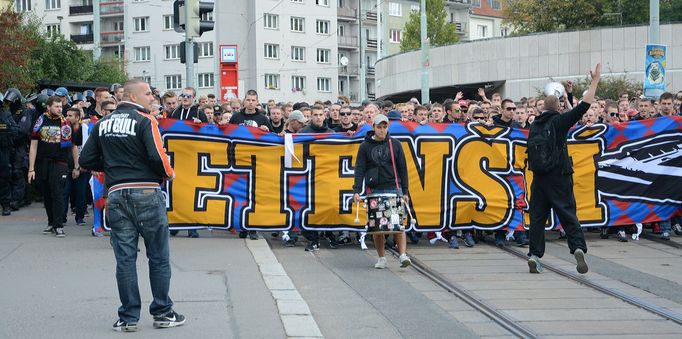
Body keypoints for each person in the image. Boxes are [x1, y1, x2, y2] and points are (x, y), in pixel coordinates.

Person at [79, 79, 185, 332]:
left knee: (125, 259)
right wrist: (169, 174)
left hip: (115, 194)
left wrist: (113, 168)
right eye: (148, 93)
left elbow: (86, 158)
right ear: (133, 97)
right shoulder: (146, 120)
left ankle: (128, 317)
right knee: (158, 256)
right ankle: (163, 312)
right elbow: (157, 156)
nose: (152, 98)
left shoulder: (103, 123)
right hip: (147, 192)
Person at [527, 63, 602, 275]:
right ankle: (577, 247)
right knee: (568, 214)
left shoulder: (535, 124)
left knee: (538, 219)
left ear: (542, 108)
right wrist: (594, 80)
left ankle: (534, 255)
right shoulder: (559, 122)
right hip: (559, 177)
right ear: (558, 107)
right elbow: (584, 106)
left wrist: (565, 99)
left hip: (539, 179)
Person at [353, 114, 412, 269]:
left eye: (384, 127)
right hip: (374, 189)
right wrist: (357, 190)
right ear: (373, 127)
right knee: (377, 227)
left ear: (388, 128)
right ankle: (381, 258)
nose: (382, 130)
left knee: (398, 224)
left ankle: (403, 255)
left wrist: (405, 191)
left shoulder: (395, 144)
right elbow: (359, 169)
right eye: (379, 127)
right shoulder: (365, 146)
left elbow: (403, 169)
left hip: (393, 188)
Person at [28, 96, 81, 237]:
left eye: (60, 106)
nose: (59, 109)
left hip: (60, 163)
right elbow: (33, 146)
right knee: (47, 194)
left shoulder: (66, 123)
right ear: (48, 107)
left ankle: (58, 225)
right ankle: (51, 222)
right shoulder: (40, 121)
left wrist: (76, 165)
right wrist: (31, 168)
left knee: (58, 193)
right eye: (56, 106)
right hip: (43, 163)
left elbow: (73, 146)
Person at [1, 91, 20, 216]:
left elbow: (15, 131)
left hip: (3, 150)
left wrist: (6, 133)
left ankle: (5, 204)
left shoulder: (6, 115)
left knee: (4, 176)